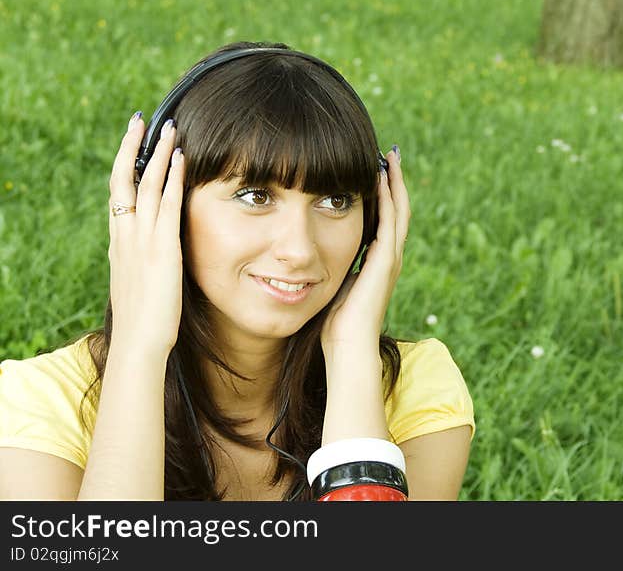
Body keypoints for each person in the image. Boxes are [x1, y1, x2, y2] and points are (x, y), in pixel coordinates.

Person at [0, 41, 474, 501]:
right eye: (256, 196)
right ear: (163, 202)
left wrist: (352, 356)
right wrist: (138, 346)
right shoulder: (42, 405)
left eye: (334, 201)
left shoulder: (412, 389)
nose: (299, 250)